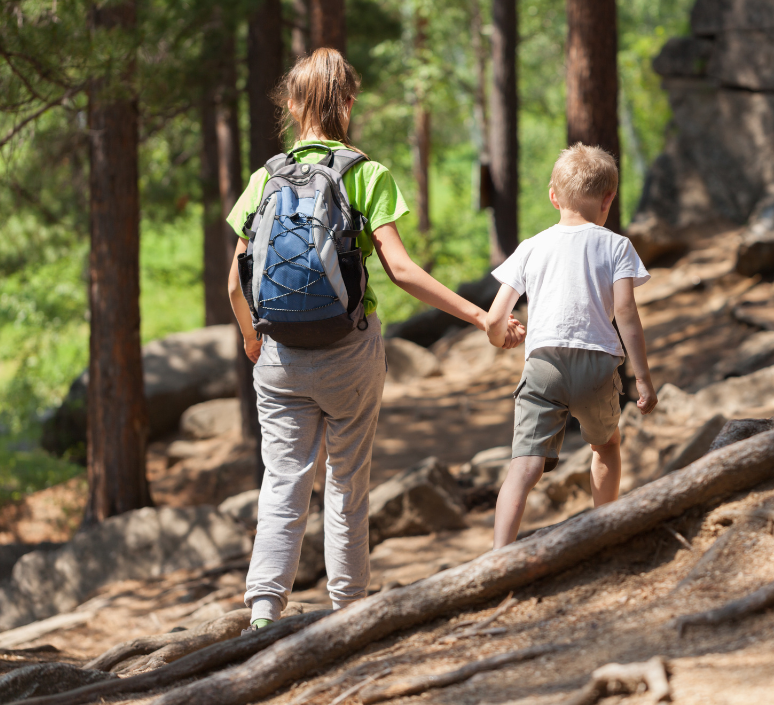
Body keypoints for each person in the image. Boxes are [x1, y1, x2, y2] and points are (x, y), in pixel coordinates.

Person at [226, 48, 505, 629]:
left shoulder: (263, 179)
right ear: (348, 104)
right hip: (348, 354)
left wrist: (254, 340)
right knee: (347, 480)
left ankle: (262, 612)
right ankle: (348, 612)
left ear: (293, 106)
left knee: (283, 481)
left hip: (277, 356)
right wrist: (478, 317)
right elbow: (401, 272)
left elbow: (235, 281)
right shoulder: (364, 173)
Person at [485, 143, 658, 549]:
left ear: (552, 195)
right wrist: (645, 380)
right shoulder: (617, 246)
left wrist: (501, 337)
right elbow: (627, 314)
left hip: (543, 363)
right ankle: (605, 535)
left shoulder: (531, 247)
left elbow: (495, 318)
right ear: (609, 199)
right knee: (606, 446)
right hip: (599, 366)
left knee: (523, 469)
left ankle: (497, 559)